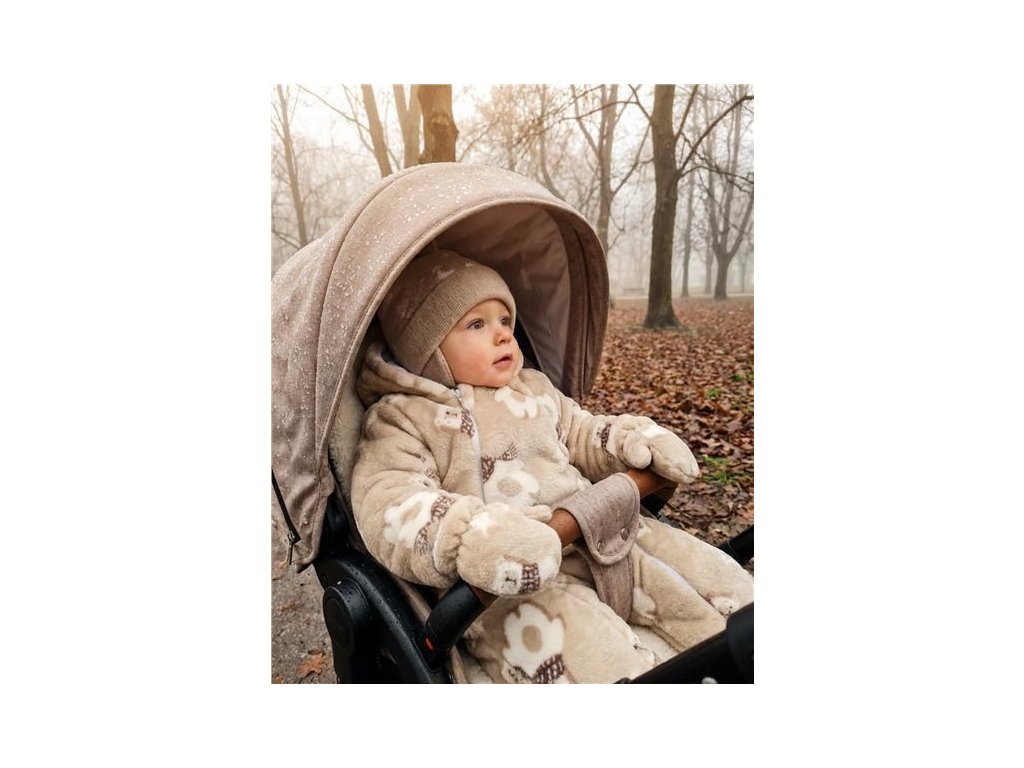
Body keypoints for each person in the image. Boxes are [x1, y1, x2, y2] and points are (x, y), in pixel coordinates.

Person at [349, 249, 753, 683]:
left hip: (601, 534)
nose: (503, 335)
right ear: (425, 346)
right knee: (595, 653)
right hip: (510, 584)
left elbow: (581, 431)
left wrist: (629, 441)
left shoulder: (535, 388)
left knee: (706, 581)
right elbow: (389, 501)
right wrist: (469, 536)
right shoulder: (404, 418)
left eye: (505, 320)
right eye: (477, 324)